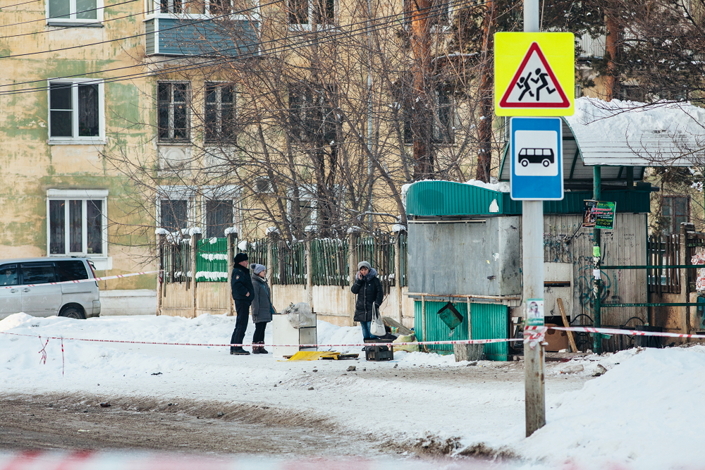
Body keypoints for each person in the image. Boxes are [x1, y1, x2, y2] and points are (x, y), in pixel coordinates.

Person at [350, 260, 383, 342]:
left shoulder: (374, 280)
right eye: (361, 270)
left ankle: (373, 344)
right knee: (364, 328)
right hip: (361, 308)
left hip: (371, 308)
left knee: (371, 327)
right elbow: (354, 290)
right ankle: (367, 345)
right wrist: (359, 281)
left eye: (365, 269)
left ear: (369, 269)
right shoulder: (359, 280)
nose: (363, 272)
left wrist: (377, 303)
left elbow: (380, 293)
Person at [230, 253, 254, 355]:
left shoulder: (242, 271)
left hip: (244, 300)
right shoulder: (238, 272)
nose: (247, 263)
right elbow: (237, 285)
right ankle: (236, 346)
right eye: (245, 261)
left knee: (242, 323)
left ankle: (236, 345)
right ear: (241, 262)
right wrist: (246, 292)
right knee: (241, 323)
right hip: (242, 300)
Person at [250, 264, 275, 354]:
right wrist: (255, 311)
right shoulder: (255, 283)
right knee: (259, 328)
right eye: (263, 271)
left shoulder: (263, 282)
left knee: (263, 328)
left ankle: (261, 346)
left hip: (265, 309)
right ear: (258, 272)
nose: (264, 272)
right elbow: (255, 299)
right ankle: (255, 346)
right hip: (259, 310)